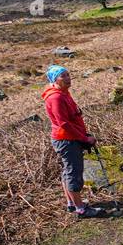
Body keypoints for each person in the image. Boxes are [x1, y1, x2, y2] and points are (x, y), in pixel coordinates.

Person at [41, 65, 103, 217]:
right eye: (63, 76)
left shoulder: (63, 93)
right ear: (54, 80)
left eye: (68, 74)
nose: (68, 78)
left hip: (68, 138)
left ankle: (72, 203)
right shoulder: (56, 97)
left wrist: (82, 133)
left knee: (68, 171)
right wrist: (84, 138)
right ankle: (81, 209)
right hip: (67, 140)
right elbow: (64, 123)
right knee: (73, 174)